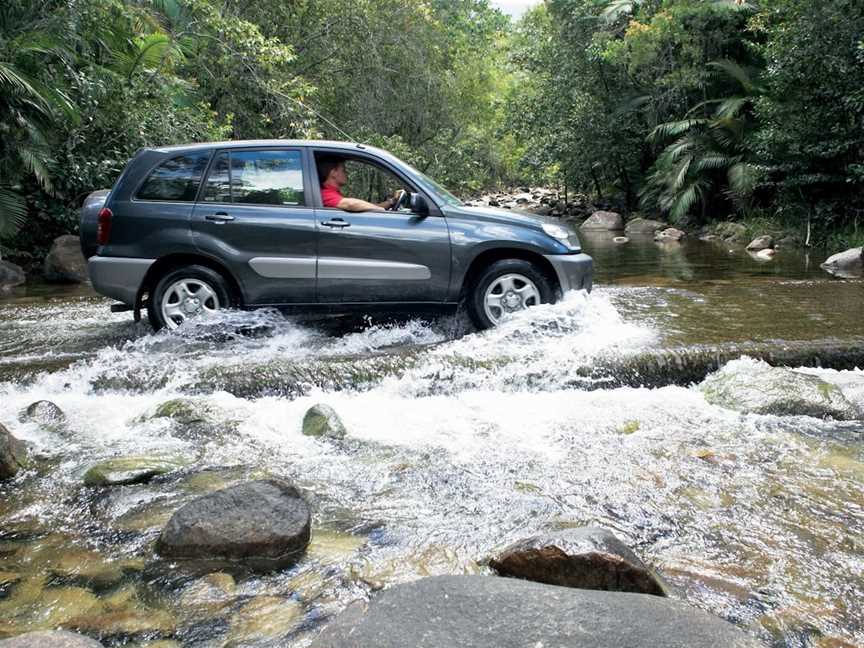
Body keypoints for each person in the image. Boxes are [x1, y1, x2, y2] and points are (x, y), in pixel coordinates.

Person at [317, 156, 401, 212]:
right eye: (343, 170)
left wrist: (392, 201)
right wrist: (380, 211)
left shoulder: (333, 193)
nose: (347, 173)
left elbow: (369, 206)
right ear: (333, 173)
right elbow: (350, 204)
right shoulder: (325, 194)